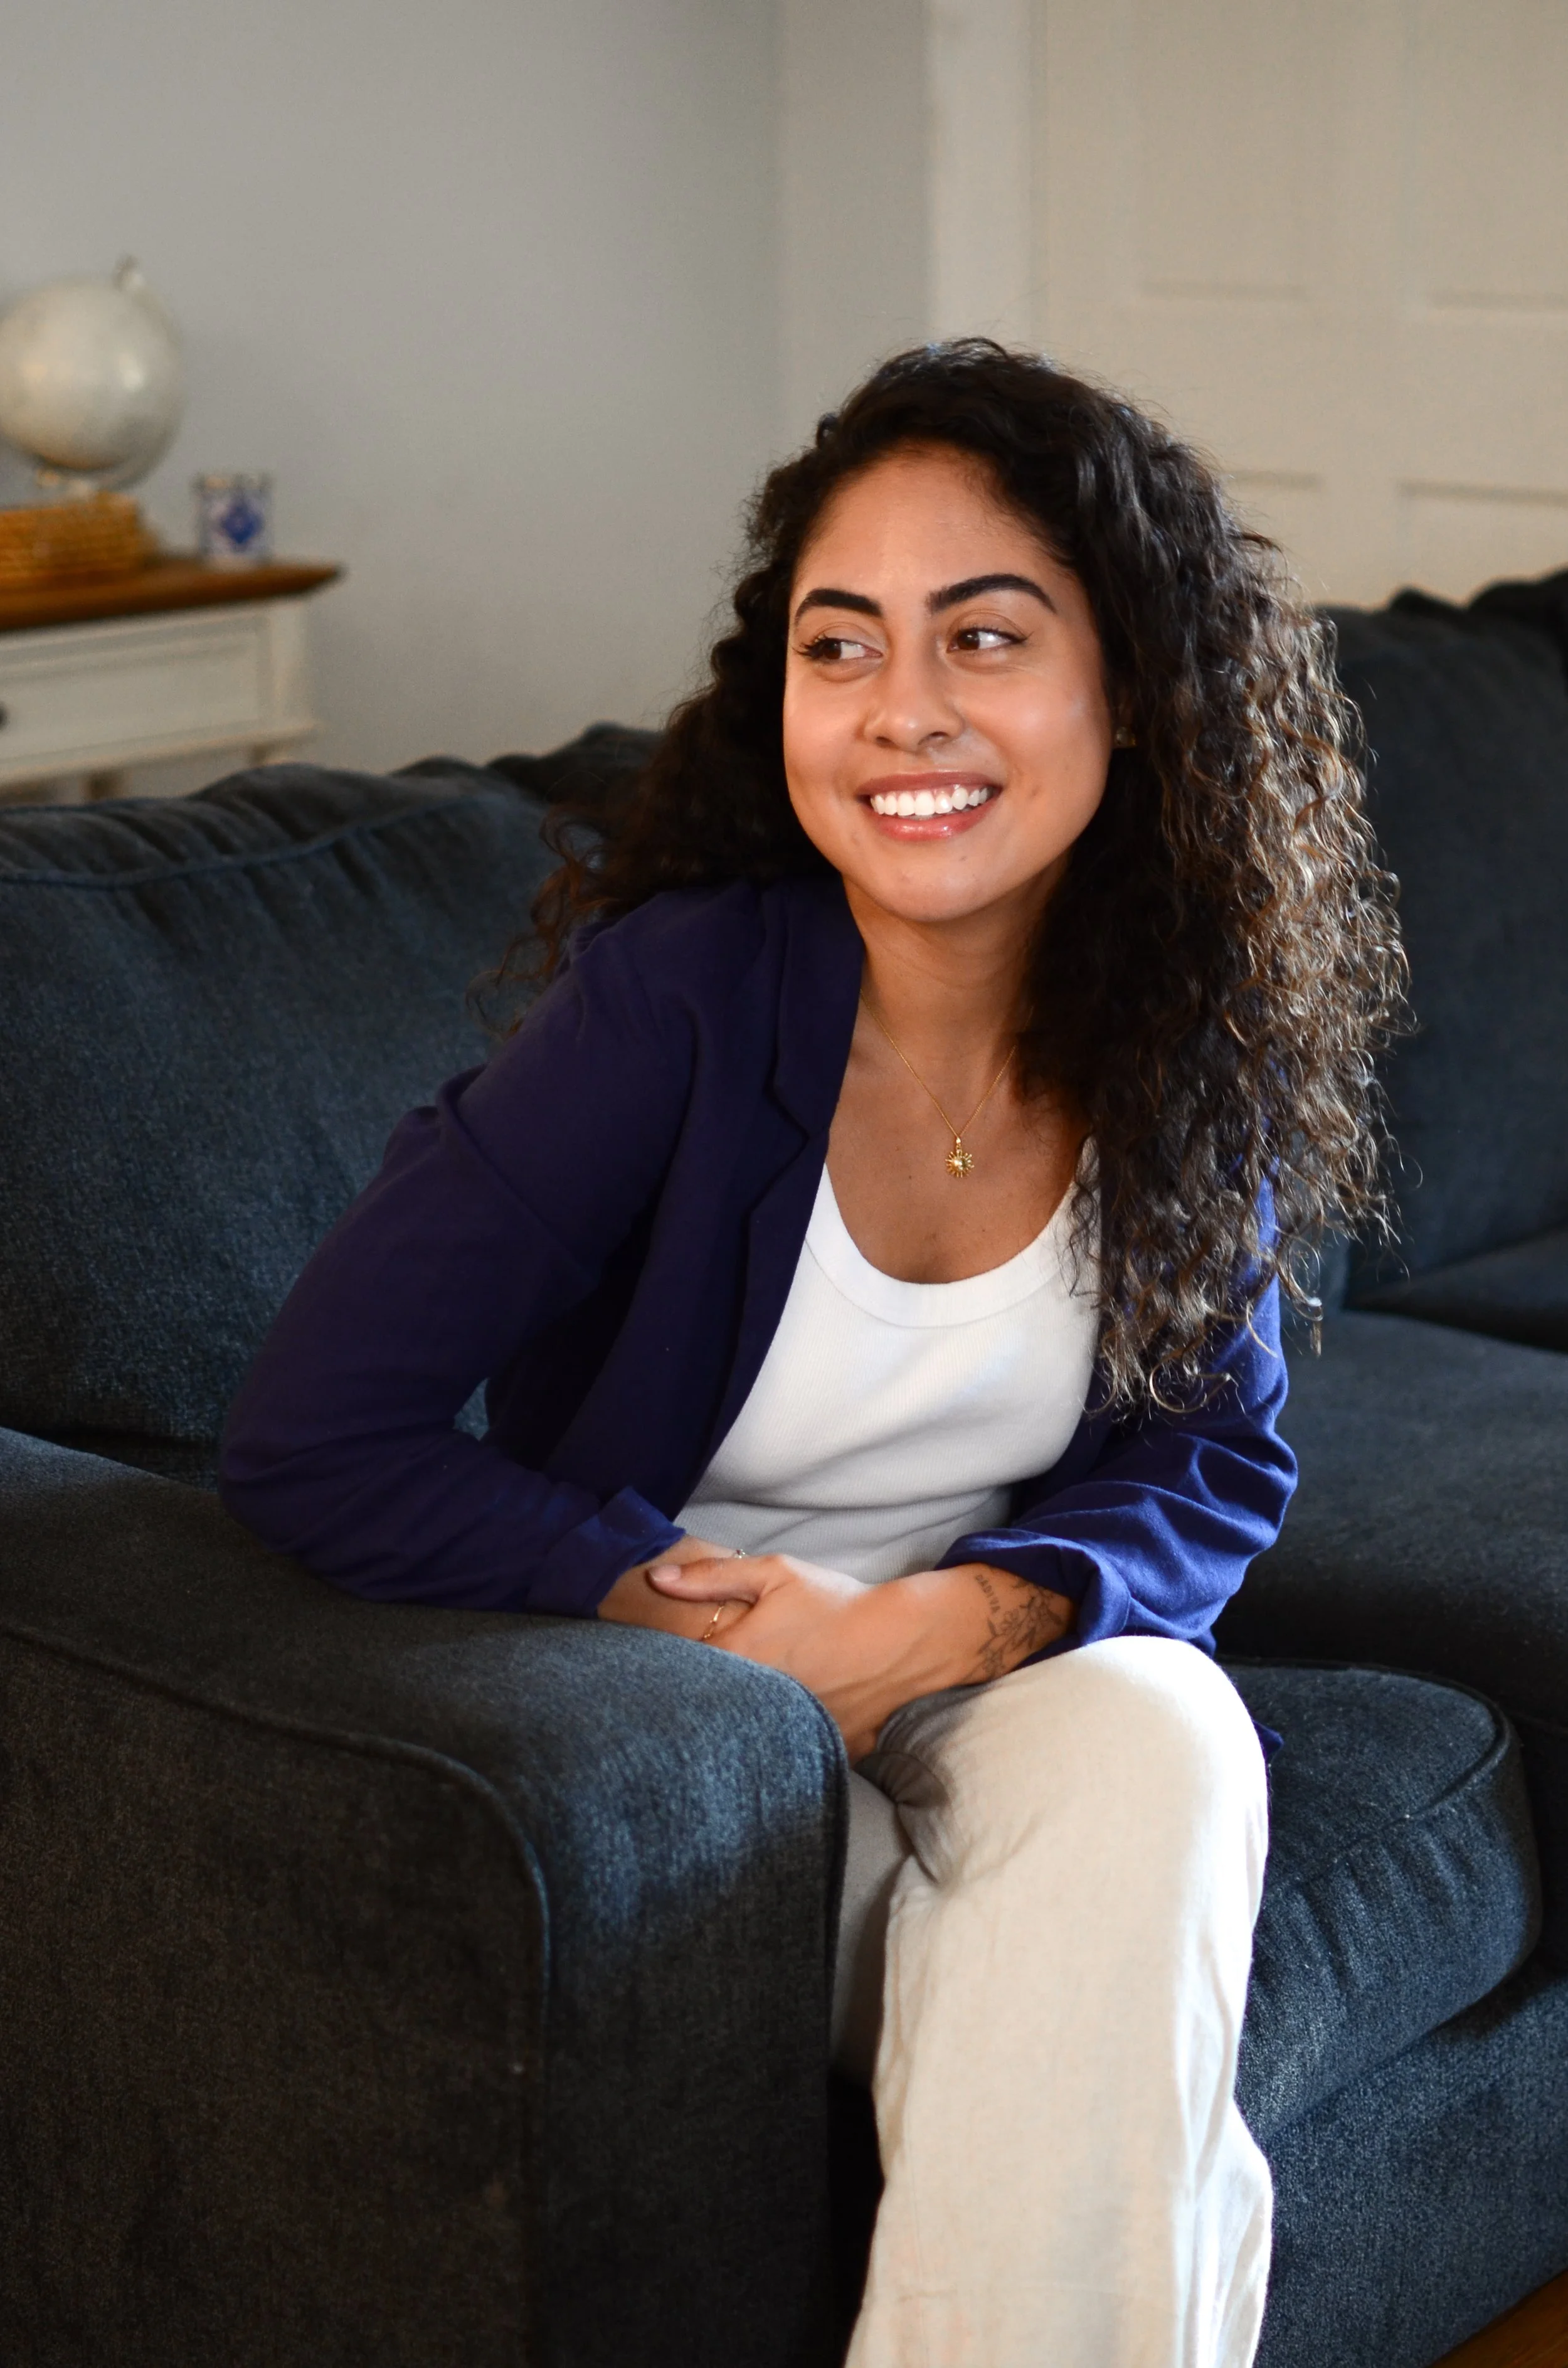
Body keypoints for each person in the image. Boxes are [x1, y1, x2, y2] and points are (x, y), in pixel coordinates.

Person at [221, 341, 1403, 2367]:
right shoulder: (675, 1006)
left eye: (986, 635)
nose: (903, 711)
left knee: (1171, 1742)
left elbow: (1209, 1462)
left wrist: (960, 1622)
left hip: (983, 1670)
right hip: (684, 1707)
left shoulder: (1174, 1035)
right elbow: (312, 1429)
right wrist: (635, 1586)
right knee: (1126, 2064)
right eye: (839, 644)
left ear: (1124, 686)